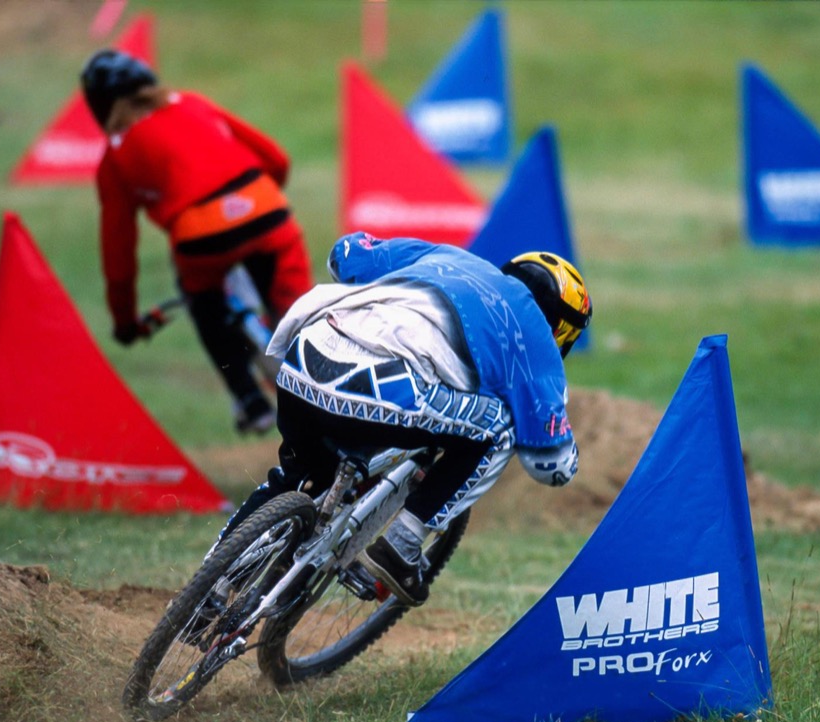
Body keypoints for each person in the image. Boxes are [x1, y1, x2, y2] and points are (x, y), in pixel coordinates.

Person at [216, 231, 593, 606]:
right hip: (379, 392)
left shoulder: (449, 257)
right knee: (501, 428)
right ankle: (401, 545)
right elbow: (551, 465)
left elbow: (343, 256)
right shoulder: (537, 339)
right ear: (561, 330)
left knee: (296, 476)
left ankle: (209, 589)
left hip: (303, 356)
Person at [81, 49, 314, 435]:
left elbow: (118, 252)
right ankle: (335, 383)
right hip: (266, 210)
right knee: (302, 318)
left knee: (205, 306)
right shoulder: (190, 103)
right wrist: (257, 202)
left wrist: (124, 321)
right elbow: (276, 158)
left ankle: (249, 399)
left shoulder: (115, 158)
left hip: (202, 240)